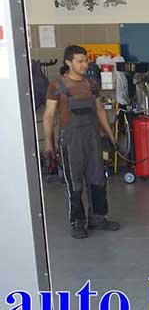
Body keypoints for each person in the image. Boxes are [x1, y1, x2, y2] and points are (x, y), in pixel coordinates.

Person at [43, 45, 120, 239]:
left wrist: (110, 136)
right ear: (68, 62)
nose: (85, 64)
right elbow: (49, 116)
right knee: (75, 183)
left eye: (86, 60)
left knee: (98, 179)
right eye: (80, 61)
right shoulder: (57, 85)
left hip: (92, 139)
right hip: (71, 141)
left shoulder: (91, 84)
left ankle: (98, 218)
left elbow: (99, 110)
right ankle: (77, 223)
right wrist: (48, 144)